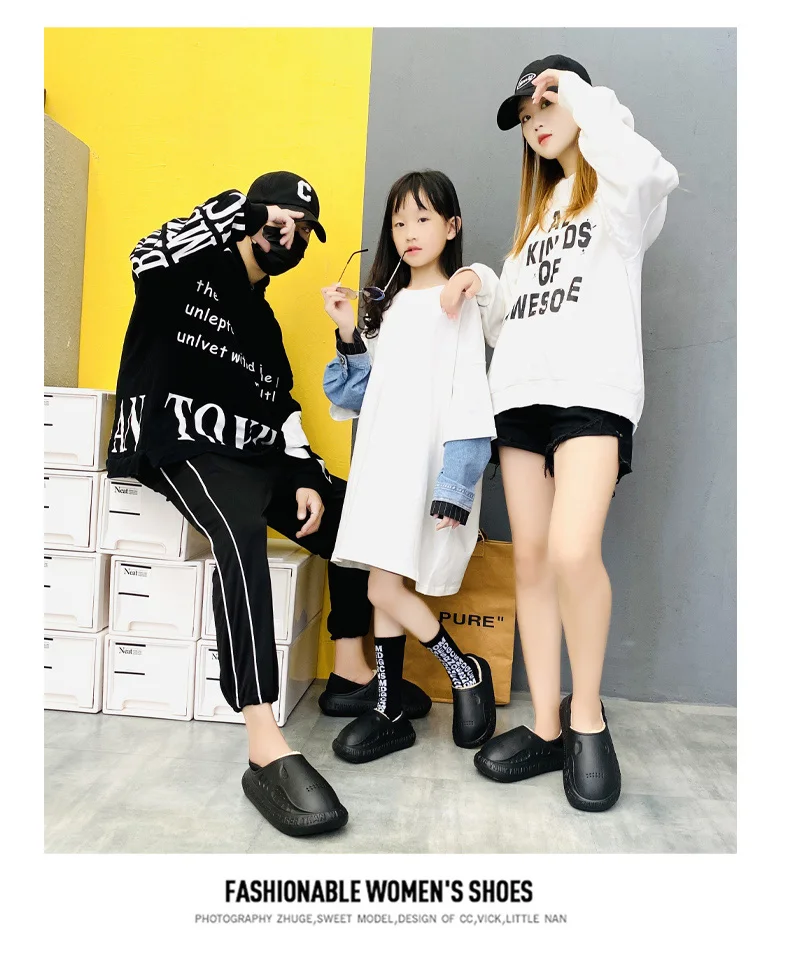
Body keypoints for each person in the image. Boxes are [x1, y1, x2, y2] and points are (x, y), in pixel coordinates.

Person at [105, 170, 429, 837]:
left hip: (255, 457)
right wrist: (232, 212)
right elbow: (144, 254)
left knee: (352, 514)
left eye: (304, 231)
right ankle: (262, 738)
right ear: (249, 218)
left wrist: (306, 473)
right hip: (179, 446)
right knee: (240, 530)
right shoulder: (183, 271)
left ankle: (349, 669)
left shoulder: (263, 323)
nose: (292, 237)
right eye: (280, 222)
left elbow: (281, 408)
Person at [441, 55, 679, 811]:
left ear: (583, 101)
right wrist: (483, 283)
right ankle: (546, 723)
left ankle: (587, 716)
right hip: (521, 399)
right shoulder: (538, 214)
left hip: (592, 397)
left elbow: (652, 173)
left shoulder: (618, 192)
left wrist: (576, 91)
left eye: (548, 103)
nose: (536, 119)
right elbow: (510, 317)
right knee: (535, 560)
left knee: (576, 551)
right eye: (526, 112)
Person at [320, 170, 499, 764]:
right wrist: (348, 330)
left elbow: (471, 393)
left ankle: (462, 671)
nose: (409, 233)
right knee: (386, 584)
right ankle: (391, 708)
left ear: (451, 226)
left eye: (423, 219)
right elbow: (360, 394)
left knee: (382, 586)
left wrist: (457, 480)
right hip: (382, 465)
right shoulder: (389, 306)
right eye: (399, 222)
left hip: (425, 467)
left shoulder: (459, 300)